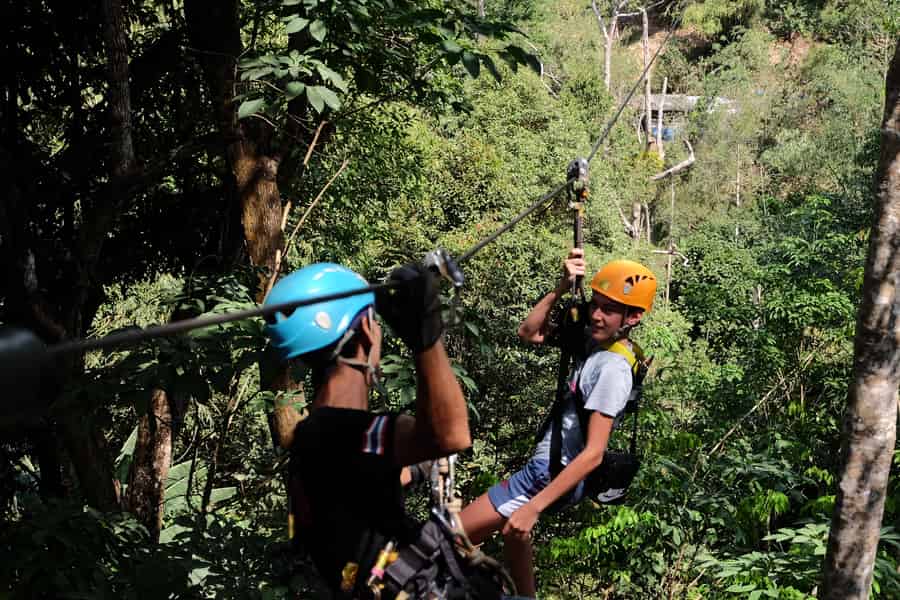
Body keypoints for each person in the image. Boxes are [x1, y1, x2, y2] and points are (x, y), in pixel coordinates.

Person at [264, 262, 498, 599]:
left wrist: (417, 468)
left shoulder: (313, 436)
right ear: (366, 330)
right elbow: (451, 435)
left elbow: (366, 482)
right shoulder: (343, 430)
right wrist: (426, 336)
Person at [458, 248, 657, 597]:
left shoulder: (612, 369)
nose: (597, 315)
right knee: (512, 534)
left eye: (609, 310)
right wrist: (561, 286)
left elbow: (594, 453)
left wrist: (535, 507)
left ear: (634, 317)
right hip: (551, 469)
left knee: (447, 536)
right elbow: (528, 332)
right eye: (596, 305)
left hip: (549, 473)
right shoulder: (596, 345)